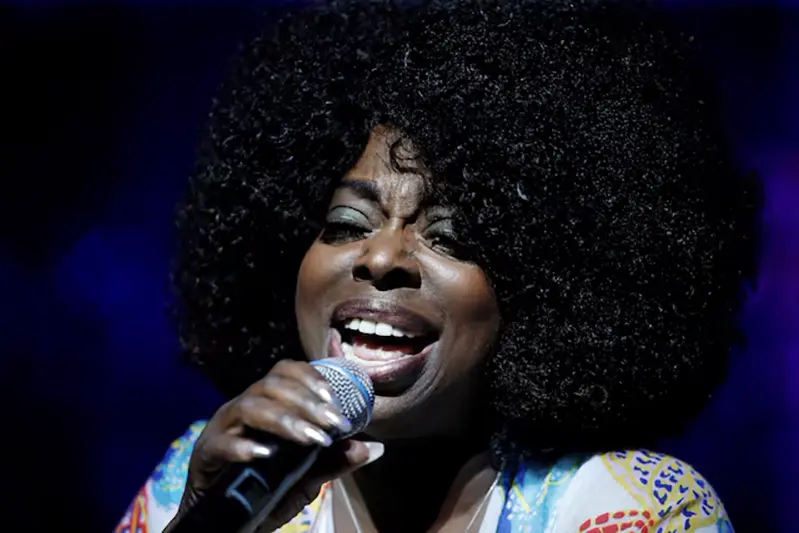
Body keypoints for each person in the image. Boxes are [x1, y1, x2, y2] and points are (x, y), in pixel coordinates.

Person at [114, 0, 757, 531]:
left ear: (543, 291)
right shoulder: (204, 479)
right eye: (345, 225)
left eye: (452, 237)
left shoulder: (628, 510)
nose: (384, 256)